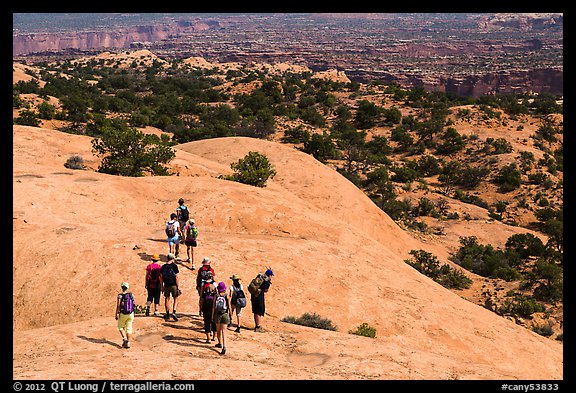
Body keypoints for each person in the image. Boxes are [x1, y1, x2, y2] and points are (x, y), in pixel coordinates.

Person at [212, 281, 232, 355]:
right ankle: (224, 346)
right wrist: (230, 315)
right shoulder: (227, 296)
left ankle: (219, 342)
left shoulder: (216, 296)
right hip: (225, 314)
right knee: (224, 331)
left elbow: (214, 307)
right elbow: (229, 306)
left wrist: (212, 315)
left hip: (217, 314)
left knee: (218, 330)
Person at [160, 253, 180, 321]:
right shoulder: (174, 266)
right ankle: (174, 312)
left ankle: (167, 313)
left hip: (166, 285)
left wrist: (162, 286)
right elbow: (177, 277)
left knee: (167, 298)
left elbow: (161, 277)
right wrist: (178, 286)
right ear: (173, 258)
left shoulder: (163, 266)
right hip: (173, 284)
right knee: (175, 298)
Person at [115, 282, 135, 348]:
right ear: (127, 287)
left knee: (120, 327)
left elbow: (118, 306)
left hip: (123, 314)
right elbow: (134, 303)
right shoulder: (131, 294)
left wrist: (116, 314)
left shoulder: (120, 296)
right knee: (129, 329)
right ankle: (128, 343)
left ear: (122, 287)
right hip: (130, 314)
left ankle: (125, 338)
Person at [199, 276, 217, 343]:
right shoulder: (215, 295)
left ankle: (208, 339)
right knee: (214, 322)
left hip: (205, 308)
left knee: (207, 322)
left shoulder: (204, 294)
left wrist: (200, 310)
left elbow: (201, 300)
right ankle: (214, 337)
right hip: (213, 309)